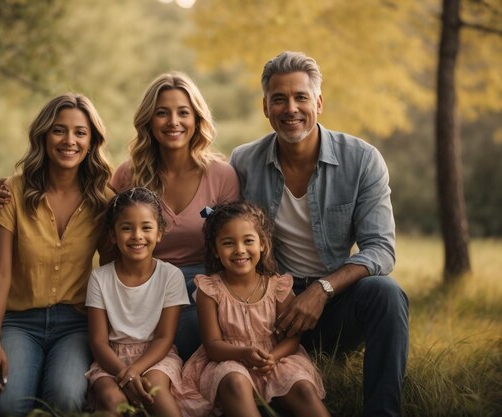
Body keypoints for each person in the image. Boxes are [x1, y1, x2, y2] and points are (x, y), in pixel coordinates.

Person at [0, 71, 240, 361]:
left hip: (202, 292)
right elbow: (109, 247)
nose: (173, 122)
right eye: (162, 113)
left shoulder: (221, 175)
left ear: (197, 119)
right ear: (148, 120)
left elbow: (234, 247)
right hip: (141, 290)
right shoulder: (129, 175)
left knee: (194, 333)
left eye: (183, 112)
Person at [229, 51, 409, 417]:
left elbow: (381, 249)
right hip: (271, 307)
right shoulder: (244, 162)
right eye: (279, 98)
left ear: (319, 103)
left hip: (334, 300)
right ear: (266, 107)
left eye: (301, 97)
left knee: (387, 294)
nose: (290, 108)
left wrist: (322, 289)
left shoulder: (362, 159)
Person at [0, 93, 115, 417]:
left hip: (75, 324)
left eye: (80, 132)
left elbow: (112, 269)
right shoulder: (11, 193)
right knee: (7, 407)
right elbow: (0, 273)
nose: (70, 140)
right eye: (59, 130)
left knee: (66, 401)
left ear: (92, 140)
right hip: (18, 322)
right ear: (43, 135)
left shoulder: (103, 200)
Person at [177, 201, 329, 417]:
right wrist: (244, 353)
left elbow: (292, 338)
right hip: (228, 359)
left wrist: (272, 357)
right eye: (228, 243)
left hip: (275, 358)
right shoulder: (209, 289)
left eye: (248, 241)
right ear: (215, 249)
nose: (239, 250)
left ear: (263, 244)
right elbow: (212, 346)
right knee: (234, 381)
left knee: (303, 387)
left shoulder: (278, 286)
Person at [85, 187, 188, 417]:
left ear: (159, 233)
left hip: (156, 356)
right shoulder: (99, 278)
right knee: (112, 401)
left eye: (146, 227)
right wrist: (124, 372)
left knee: (156, 393)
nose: (137, 236)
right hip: (110, 360)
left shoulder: (170, 276)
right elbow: (99, 342)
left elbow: (164, 338)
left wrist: (135, 371)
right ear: (112, 235)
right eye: (126, 228)